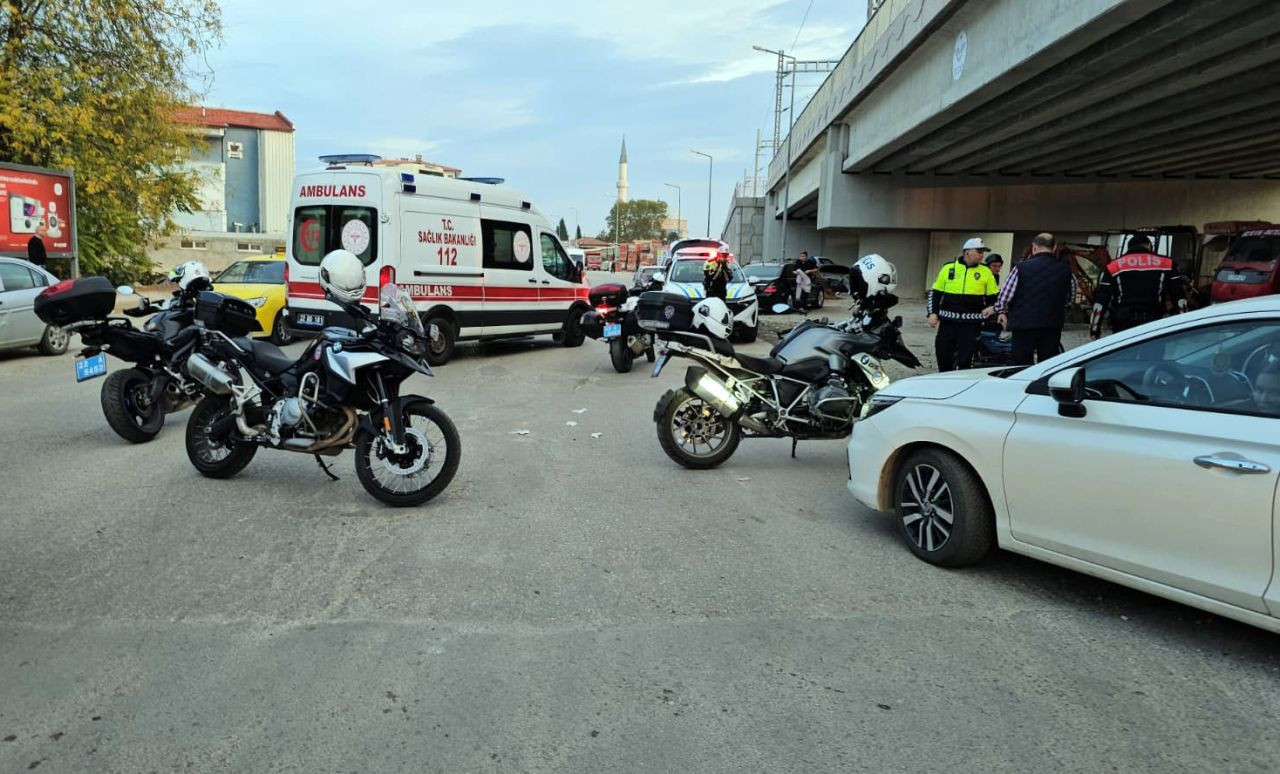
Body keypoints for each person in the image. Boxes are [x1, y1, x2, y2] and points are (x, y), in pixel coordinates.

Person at [994, 233, 1075, 365]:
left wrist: (1001, 310)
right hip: (1052, 325)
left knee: (1021, 363)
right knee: (1048, 363)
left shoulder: (1021, 268)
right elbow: (1070, 298)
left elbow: (1006, 294)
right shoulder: (1066, 269)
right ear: (1054, 248)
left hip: (1023, 324)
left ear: (1034, 247)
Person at [1090, 234, 1187, 340]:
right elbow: (1180, 299)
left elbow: (1100, 302)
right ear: (1149, 246)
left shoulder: (1114, 266)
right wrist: (1184, 328)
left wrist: (1094, 331)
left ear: (1129, 247)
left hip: (1123, 323)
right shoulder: (1167, 263)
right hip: (1154, 323)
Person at [927, 237, 999, 371]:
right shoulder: (948, 268)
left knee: (965, 360)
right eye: (979, 252)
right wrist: (933, 313)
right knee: (943, 356)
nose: (982, 255)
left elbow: (995, 296)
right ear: (967, 252)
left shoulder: (986, 272)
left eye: (983, 252)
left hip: (971, 325)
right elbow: (935, 293)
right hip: (948, 323)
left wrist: (993, 308)